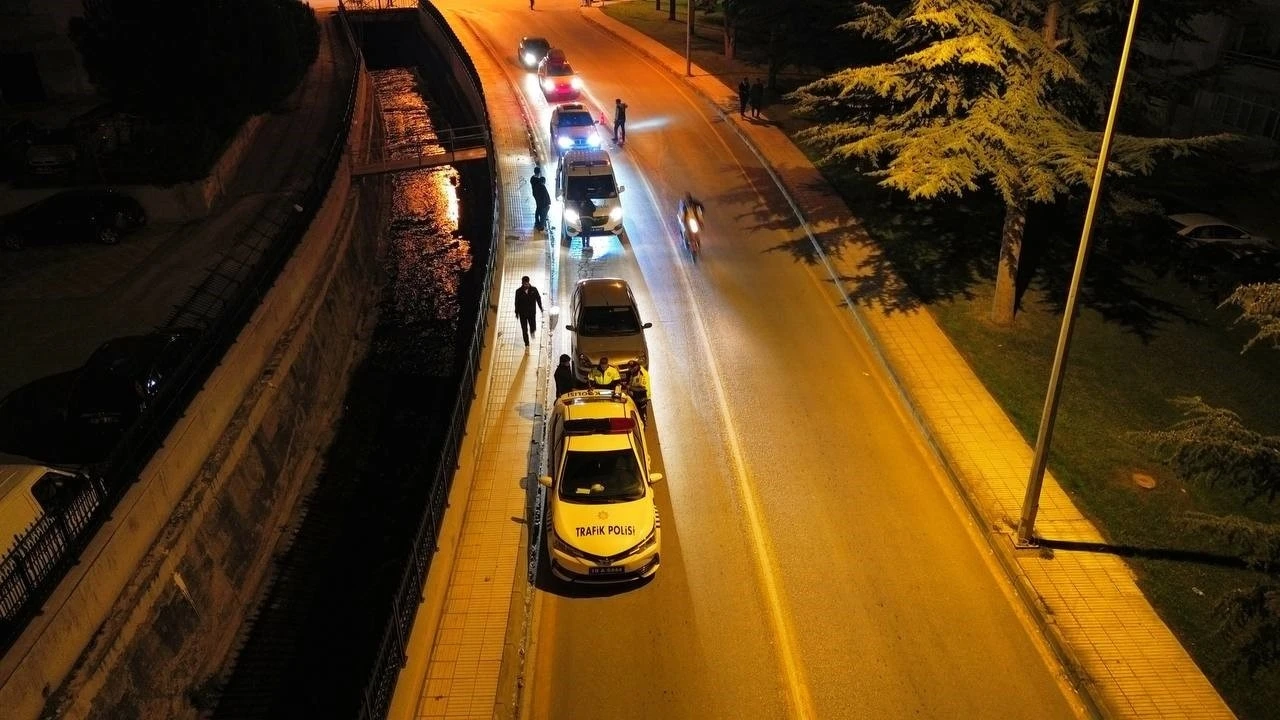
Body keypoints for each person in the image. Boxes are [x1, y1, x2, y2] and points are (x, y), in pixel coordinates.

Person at [513, 275, 543, 347]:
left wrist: (540, 307)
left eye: (526, 283)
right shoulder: (518, 292)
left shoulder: (534, 290)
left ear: (528, 282)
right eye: (524, 284)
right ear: (522, 283)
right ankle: (526, 343)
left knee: (533, 325)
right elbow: (516, 302)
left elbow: (538, 299)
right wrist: (516, 313)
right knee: (524, 329)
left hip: (531, 313)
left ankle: (532, 331)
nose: (525, 285)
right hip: (522, 314)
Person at [531, 167, 551, 231]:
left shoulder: (532, 179)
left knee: (538, 209)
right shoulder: (540, 184)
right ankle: (540, 226)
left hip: (536, 196)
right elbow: (544, 196)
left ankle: (537, 222)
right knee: (540, 211)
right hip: (541, 200)